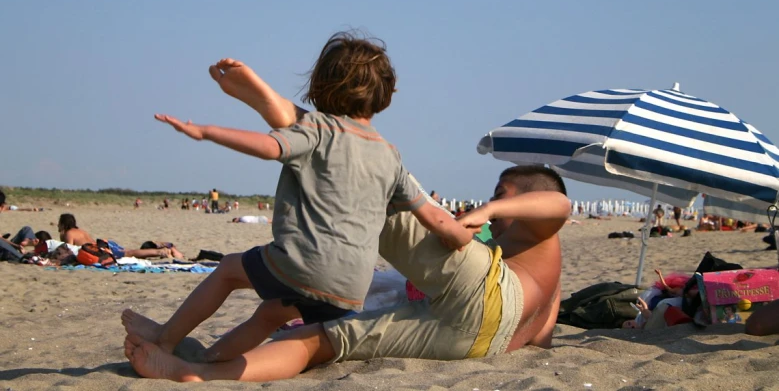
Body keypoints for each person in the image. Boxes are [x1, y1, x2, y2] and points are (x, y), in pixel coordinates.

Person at [126, 33, 472, 359]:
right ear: (387, 93)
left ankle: (165, 340)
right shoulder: (389, 154)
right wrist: (461, 235)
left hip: (302, 263)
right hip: (351, 288)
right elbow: (435, 217)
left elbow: (269, 147)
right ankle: (207, 360)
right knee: (270, 314)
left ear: (321, 86)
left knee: (229, 270)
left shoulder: (320, 128)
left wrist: (205, 131)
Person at [123, 164, 570, 382]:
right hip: (473, 340)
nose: (491, 202)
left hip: (486, 302)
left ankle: (303, 235)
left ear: (524, 197)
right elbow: (540, 338)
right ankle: (195, 371)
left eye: (502, 192)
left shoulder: (544, 231)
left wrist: (492, 208)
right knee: (320, 340)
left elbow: (559, 204)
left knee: (379, 195)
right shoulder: (543, 274)